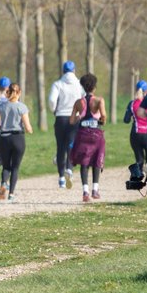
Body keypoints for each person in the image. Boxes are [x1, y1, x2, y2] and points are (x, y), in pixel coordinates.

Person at [69, 74, 107, 202]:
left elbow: (71, 121)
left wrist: (80, 117)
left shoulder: (78, 102)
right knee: (97, 161)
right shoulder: (99, 100)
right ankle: (95, 190)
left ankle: (85, 192)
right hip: (96, 134)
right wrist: (101, 121)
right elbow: (104, 117)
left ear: (83, 87)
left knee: (84, 162)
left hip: (83, 134)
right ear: (94, 87)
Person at [0, 83, 32, 201]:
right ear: (19, 93)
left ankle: (4, 183)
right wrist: (30, 130)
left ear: (8, 92)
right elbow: (28, 127)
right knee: (15, 167)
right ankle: (11, 194)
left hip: (4, 139)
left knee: (6, 166)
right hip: (18, 138)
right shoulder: (22, 107)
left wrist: (4, 128)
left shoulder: (1, 106)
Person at [48, 61, 84, 189]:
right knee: (71, 145)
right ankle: (69, 169)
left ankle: (61, 178)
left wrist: (54, 111)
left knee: (60, 147)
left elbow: (52, 100)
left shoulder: (57, 84)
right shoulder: (80, 84)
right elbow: (84, 99)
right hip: (75, 118)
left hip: (61, 118)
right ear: (74, 70)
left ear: (63, 71)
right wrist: (80, 113)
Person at [124, 80, 147, 169]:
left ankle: (139, 176)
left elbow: (126, 120)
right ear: (146, 91)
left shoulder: (132, 104)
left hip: (135, 135)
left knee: (139, 160)